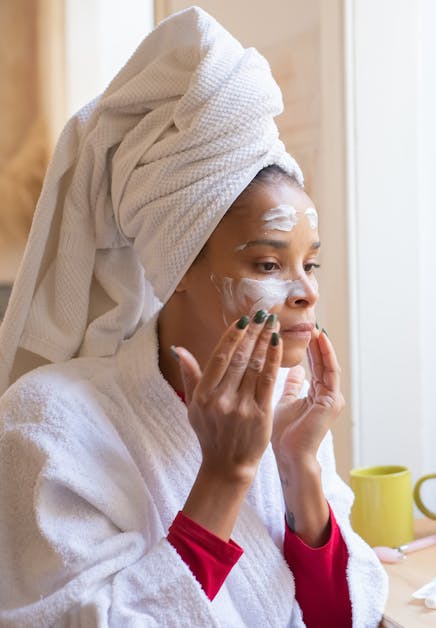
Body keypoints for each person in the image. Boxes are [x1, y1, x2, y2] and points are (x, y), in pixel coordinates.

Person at [0, 7, 387, 627]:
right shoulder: (48, 424)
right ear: (178, 266)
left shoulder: (285, 403)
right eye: (268, 264)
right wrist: (225, 477)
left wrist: (299, 467)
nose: (306, 292)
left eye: (310, 264)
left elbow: (345, 618)